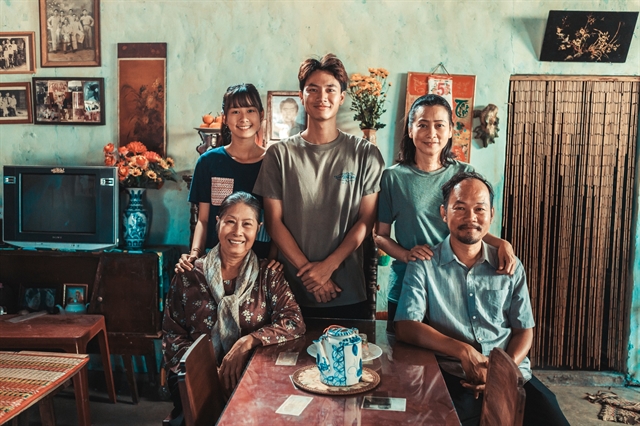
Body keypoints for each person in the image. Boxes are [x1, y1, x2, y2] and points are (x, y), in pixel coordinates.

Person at [395, 171, 569, 426]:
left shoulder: (509, 266)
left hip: (512, 375)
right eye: (460, 208)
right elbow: (406, 326)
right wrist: (463, 351)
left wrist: (500, 373)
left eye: (479, 209)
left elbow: (524, 330)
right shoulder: (424, 264)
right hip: (454, 375)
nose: (471, 218)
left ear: (491, 214)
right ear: (444, 213)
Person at [254, 53, 385, 319]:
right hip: (288, 291)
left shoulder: (365, 154)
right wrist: (311, 275)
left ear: (342, 97)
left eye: (330, 89)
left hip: (346, 289)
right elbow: (273, 221)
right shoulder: (279, 155)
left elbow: (366, 220)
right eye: (312, 89)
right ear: (301, 97)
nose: (321, 97)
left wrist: (328, 267)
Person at [163, 191, 305, 426]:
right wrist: (209, 373)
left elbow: (294, 321)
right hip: (195, 376)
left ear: (258, 229)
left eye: (247, 224)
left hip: (251, 372)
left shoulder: (268, 275)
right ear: (218, 223)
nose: (238, 232)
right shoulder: (188, 275)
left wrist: (246, 342)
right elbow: (172, 335)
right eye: (230, 221)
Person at [375, 94, 515, 332]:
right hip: (408, 284)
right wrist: (406, 255)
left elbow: (472, 228)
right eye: (422, 125)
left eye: (439, 125)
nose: (431, 133)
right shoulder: (393, 177)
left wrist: (502, 244)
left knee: (452, 352)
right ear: (410, 130)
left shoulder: (465, 174)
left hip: (454, 286)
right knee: (403, 351)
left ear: (450, 130)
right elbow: (380, 235)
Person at [176, 83, 272, 271]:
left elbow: (276, 221)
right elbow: (203, 220)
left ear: (261, 115)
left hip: (261, 264)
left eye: (250, 110)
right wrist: (195, 253)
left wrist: (273, 260)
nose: (243, 118)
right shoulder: (208, 162)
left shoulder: (273, 162)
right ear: (225, 118)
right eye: (235, 111)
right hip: (216, 263)